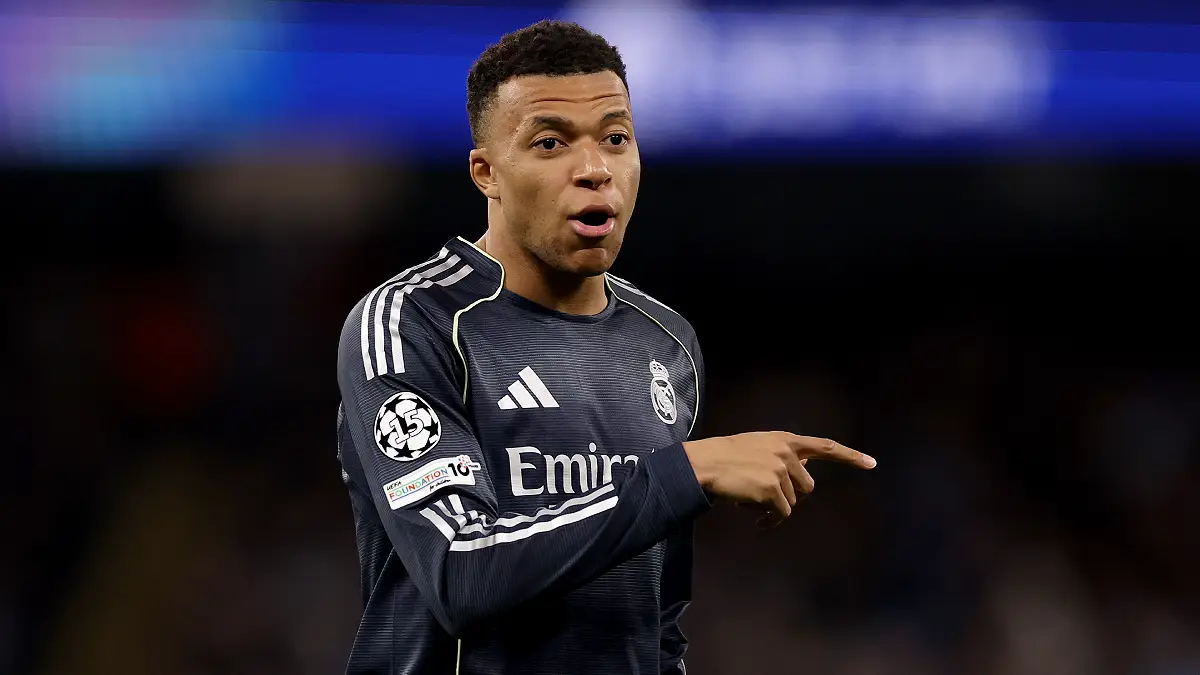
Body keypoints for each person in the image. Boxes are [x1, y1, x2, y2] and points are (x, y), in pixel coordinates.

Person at [335, 19, 876, 675]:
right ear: (487, 173)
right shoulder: (413, 322)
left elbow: (660, 620)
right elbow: (461, 574)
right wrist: (684, 472)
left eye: (615, 138)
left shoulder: (667, 343)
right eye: (551, 142)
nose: (594, 170)